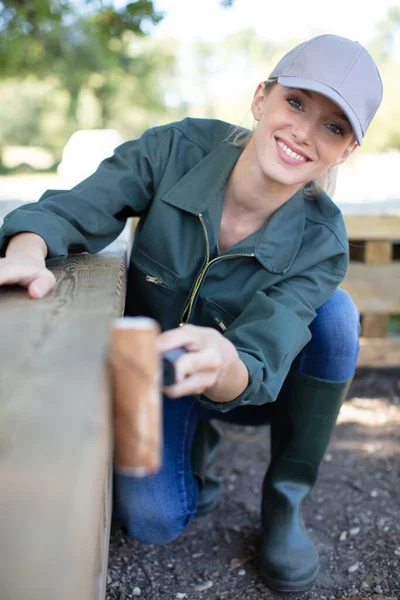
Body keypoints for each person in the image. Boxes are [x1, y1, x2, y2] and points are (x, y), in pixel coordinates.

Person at [0, 34, 383, 592]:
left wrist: (225, 361)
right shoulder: (176, 148)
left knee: (337, 317)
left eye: (334, 126)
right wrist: (28, 252)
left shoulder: (323, 240)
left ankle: (285, 501)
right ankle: (193, 454)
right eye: (296, 103)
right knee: (154, 523)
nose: (304, 132)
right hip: (159, 372)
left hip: (251, 386)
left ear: (346, 150)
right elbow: (75, 207)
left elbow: (259, 356)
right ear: (261, 98)